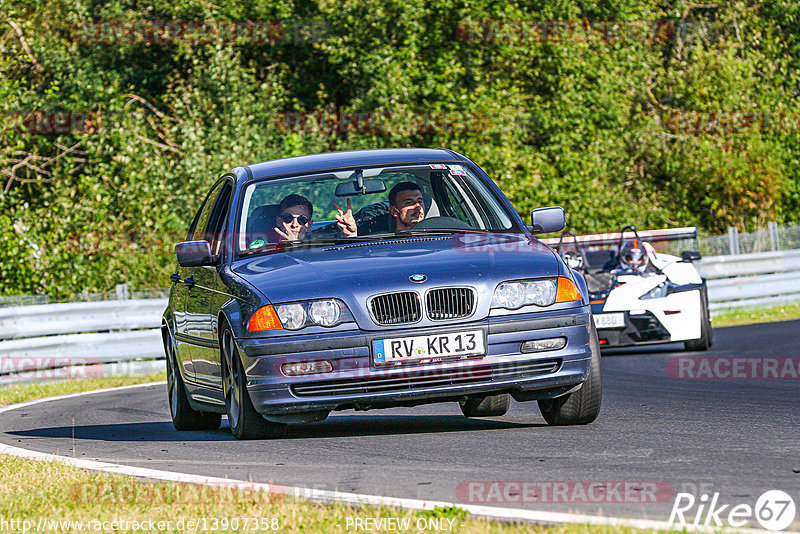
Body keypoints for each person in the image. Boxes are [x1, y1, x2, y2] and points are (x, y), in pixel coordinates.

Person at [333, 181, 425, 237]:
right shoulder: (381, 243)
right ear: (393, 211)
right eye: (409, 203)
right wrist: (352, 235)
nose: (417, 206)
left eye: (420, 201)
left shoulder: (438, 237)